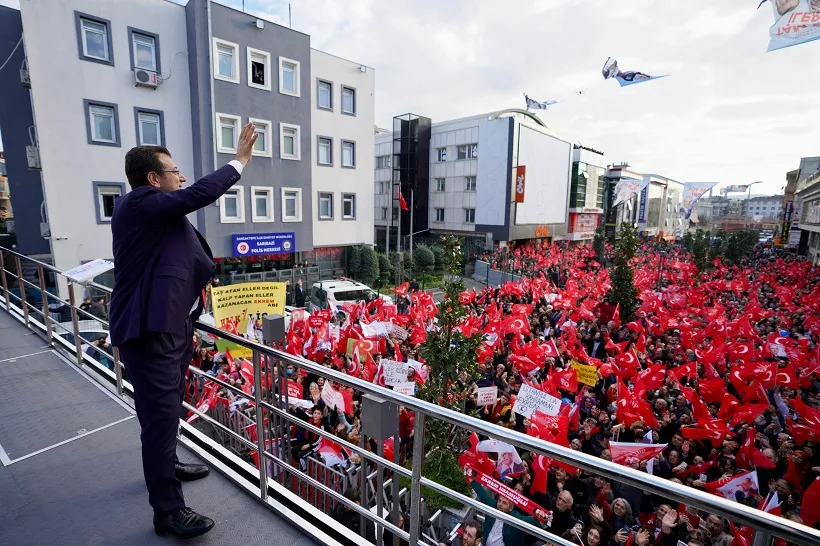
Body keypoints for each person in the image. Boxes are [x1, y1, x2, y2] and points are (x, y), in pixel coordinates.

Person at [109, 122, 257, 538]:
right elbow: (200, 194)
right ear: (153, 179)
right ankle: (168, 511)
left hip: (171, 327)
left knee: (166, 409)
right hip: (149, 332)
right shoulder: (139, 204)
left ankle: (166, 465)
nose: (182, 177)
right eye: (175, 171)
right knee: (158, 419)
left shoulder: (155, 209)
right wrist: (240, 160)